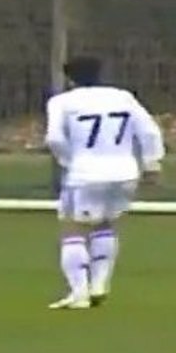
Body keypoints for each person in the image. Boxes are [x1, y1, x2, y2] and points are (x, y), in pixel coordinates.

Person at [44, 56, 164, 310]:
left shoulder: (62, 102)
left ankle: (79, 294)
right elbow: (149, 130)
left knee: (73, 228)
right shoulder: (122, 97)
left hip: (86, 172)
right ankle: (100, 285)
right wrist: (152, 162)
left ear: (70, 79)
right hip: (124, 172)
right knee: (105, 224)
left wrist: (69, 160)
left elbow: (54, 139)